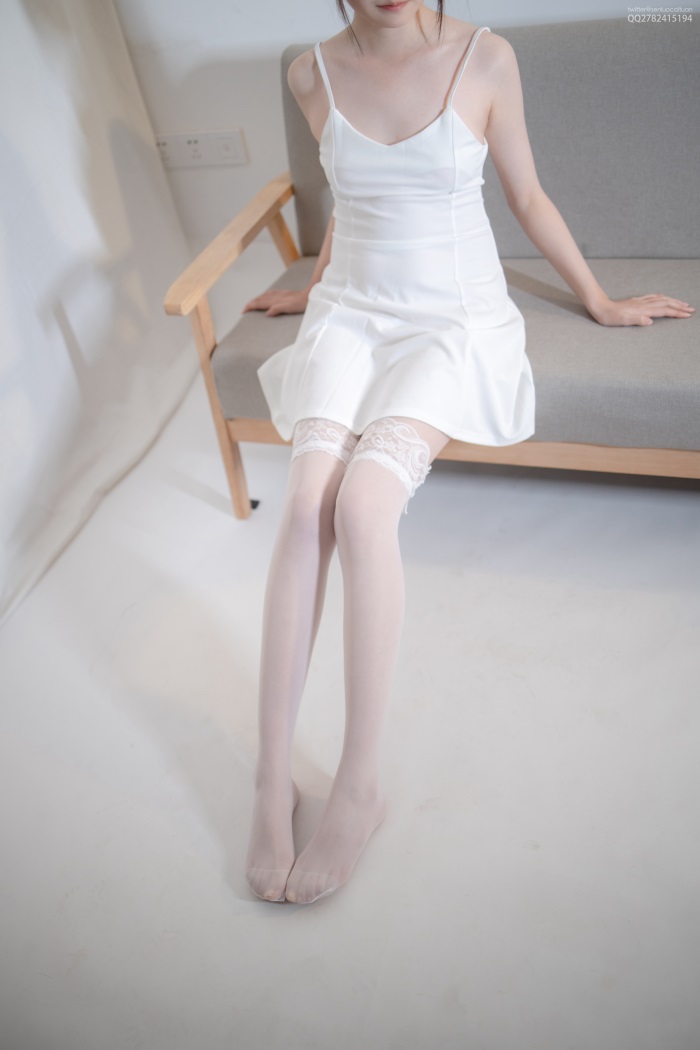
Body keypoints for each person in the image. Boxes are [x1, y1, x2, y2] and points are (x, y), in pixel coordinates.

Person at [242, 0, 694, 906]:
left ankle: (359, 786)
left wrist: (601, 300)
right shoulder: (308, 72)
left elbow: (528, 196)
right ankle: (266, 783)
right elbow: (349, 202)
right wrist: (311, 287)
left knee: (363, 507)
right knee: (302, 506)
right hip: (350, 312)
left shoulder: (486, 59)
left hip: (451, 318)